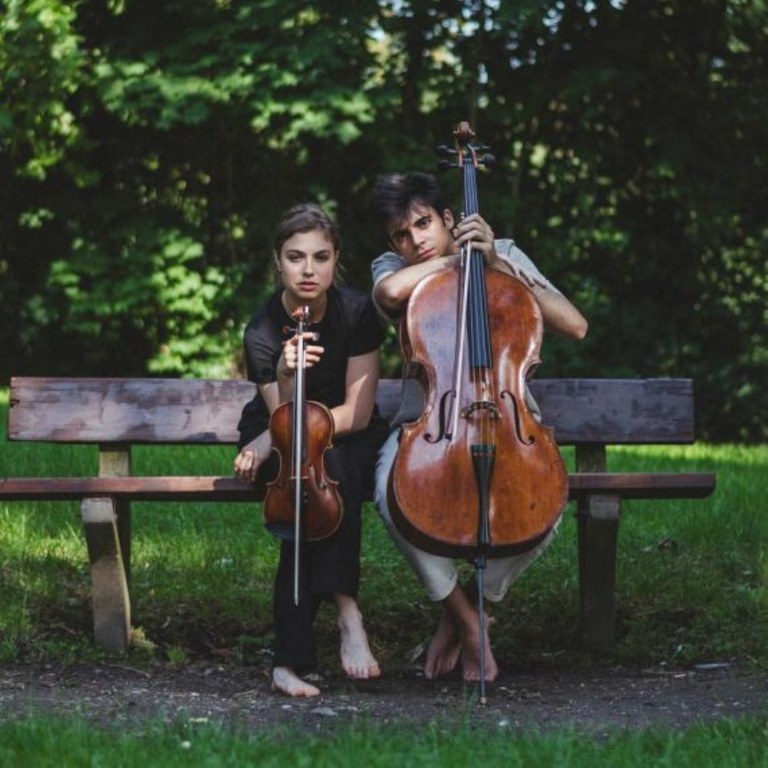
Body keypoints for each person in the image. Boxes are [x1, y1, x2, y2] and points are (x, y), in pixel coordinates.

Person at [370, 172, 588, 683]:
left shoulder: (502, 250)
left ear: (450, 219)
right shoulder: (396, 265)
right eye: (402, 234)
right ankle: (471, 625)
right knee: (388, 494)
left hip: (510, 420)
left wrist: (495, 263)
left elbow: (574, 324)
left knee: (545, 510)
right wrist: (453, 261)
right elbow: (388, 293)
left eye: (424, 224)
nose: (415, 240)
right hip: (429, 428)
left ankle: (467, 611)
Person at [234, 203, 389, 697]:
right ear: (277, 261)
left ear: (335, 259)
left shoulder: (357, 311)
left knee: (330, 471)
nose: (308, 269)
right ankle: (347, 610)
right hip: (283, 424)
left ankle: (289, 659)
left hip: (346, 428)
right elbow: (282, 415)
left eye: (320, 257)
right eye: (295, 257)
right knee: (303, 490)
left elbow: (359, 413)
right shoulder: (261, 331)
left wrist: (282, 440)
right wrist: (283, 373)